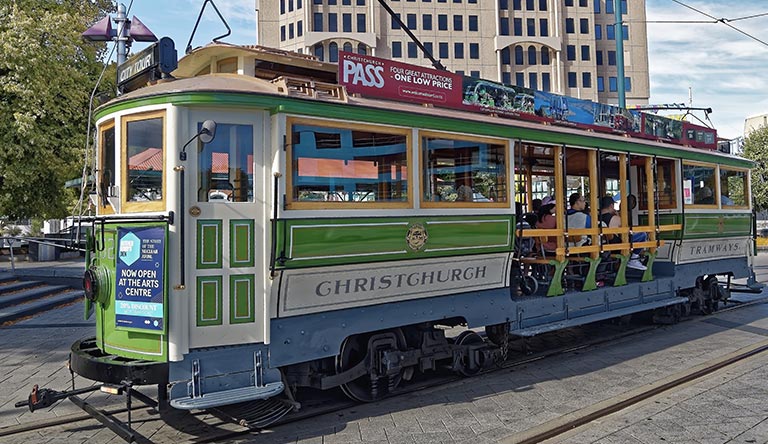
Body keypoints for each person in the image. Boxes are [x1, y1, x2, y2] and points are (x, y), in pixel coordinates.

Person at [600, 196, 647, 271]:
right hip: (617, 246)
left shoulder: (595, 218)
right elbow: (626, 231)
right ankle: (634, 259)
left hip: (603, 247)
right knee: (642, 235)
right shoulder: (615, 218)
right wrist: (618, 216)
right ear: (611, 206)